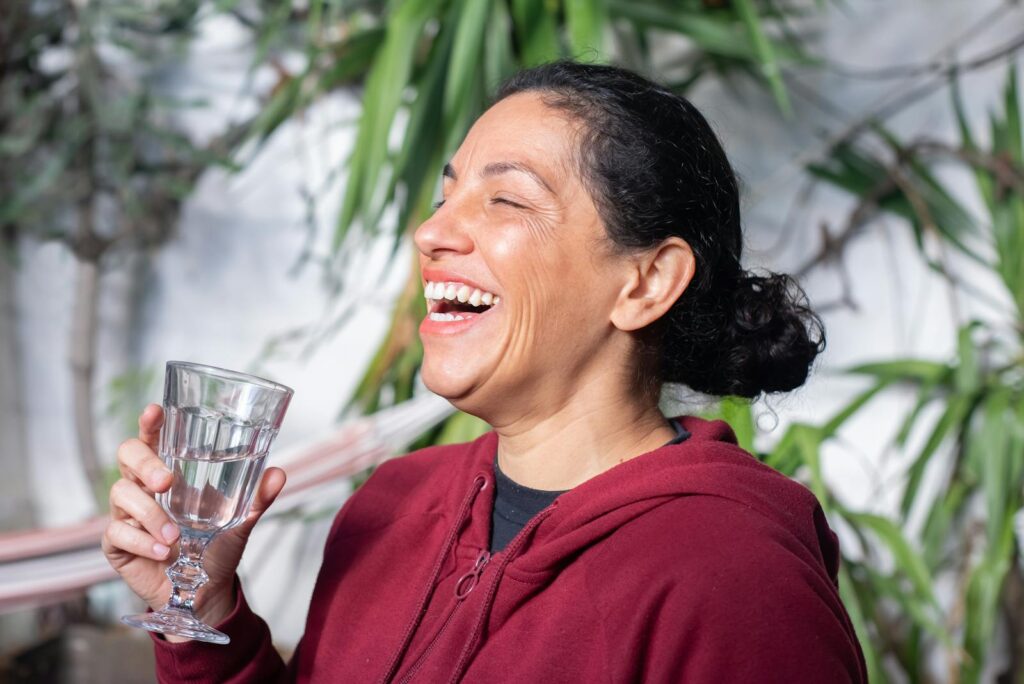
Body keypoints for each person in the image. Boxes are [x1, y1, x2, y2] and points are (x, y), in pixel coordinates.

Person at [103, 60, 868, 682]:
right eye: (444, 196)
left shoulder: (735, 581)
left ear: (645, 282)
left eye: (505, 199)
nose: (432, 231)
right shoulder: (391, 506)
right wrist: (206, 612)